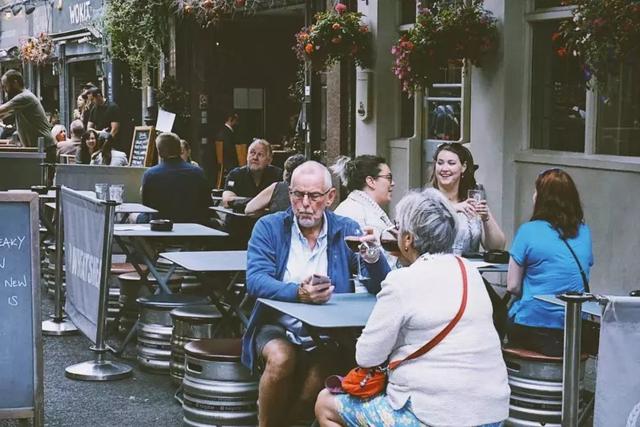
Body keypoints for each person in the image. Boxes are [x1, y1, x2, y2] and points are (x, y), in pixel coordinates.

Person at [315, 189, 510, 427]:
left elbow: (366, 357)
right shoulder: (468, 269)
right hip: (490, 413)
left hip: (433, 416)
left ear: (408, 239)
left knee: (325, 403)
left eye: (398, 227)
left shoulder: (401, 281)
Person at [242, 161, 391, 427]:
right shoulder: (270, 227)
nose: (305, 203)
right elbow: (255, 280)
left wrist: (372, 256)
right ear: (290, 195)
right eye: (298, 195)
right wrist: (298, 292)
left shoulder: (346, 229)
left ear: (330, 198)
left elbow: (380, 285)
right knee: (280, 358)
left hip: (329, 334)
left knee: (317, 380)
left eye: (314, 196)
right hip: (276, 323)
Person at [506, 168, 593, 356]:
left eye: (536, 190)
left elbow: (512, 286)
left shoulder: (528, 231)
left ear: (544, 199)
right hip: (573, 326)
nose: (533, 195)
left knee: (498, 314)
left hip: (532, 324)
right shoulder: (584, 231)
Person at [431, 142, 505, 254]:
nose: (444, 168)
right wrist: (454, 208)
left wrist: (486, 217)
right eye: (440, 163)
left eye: (451, 163)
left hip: (468, 269)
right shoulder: (427, 199)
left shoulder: (471, 201)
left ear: (463, 167)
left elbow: (497, 247)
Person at [331, 155, 397, 268]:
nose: (393, 183)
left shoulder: (362, 207)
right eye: (388, 177)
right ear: (371, 181)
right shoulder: (355, 211)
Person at [222, 139, 283, 247]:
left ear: (269, 160)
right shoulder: (235, 174)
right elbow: (227, 200)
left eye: (260, 155)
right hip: (238, 228)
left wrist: (245, 203)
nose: (255, 157)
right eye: (252, 153)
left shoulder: (278, 175)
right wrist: (260, 203)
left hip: (267, 231)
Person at [140, 132, 211, 224]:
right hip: (193, 223)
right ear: (180, 150)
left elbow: (146, 206)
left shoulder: (150, 174)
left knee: (132, 215)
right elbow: (207, 202)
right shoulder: (198, 172)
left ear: (159, 152)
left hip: (161, 225)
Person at [0, 70, 55, 163]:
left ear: (15, 83)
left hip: (45, 147)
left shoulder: (24, 97)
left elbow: (2, 110)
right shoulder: (20, 101)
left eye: (6, 86)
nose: (5, 90)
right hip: (38, 147)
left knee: (43, 177)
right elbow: (3, 114)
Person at [217, 110, 240, 174]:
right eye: (236, 120)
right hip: (229, 161)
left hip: (223, 161)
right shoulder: (227, 133)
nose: (236, 122)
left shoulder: (222, 131)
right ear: (230, 119)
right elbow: (229, 149)